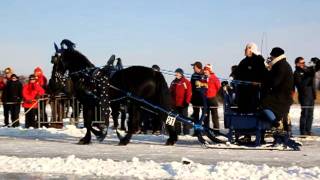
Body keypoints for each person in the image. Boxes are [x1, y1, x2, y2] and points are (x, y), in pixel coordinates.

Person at [261, 47, 294, 128]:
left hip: (281, 97)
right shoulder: (282, 64)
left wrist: (266, 71)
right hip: (283, 96)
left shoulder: (280, 66)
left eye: (271, 55)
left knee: (262, 103)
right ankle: (281, 119)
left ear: (275, 56)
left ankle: (277, 122)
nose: (270, 57)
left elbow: (274, 82)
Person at [233, 43, 268, 113]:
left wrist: (258, 81)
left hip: (254, 91)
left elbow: (264, 75)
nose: (244, 50)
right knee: (242, 107)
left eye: (246, 49)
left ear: (250, 49)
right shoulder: (243, 61)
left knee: (252, 108)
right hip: (243, 91)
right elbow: (237, 73)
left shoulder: (259, 60)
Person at [294, 57, 320, 135]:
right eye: (302, 63)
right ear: (297, 64)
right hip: (304, 96)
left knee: (310, 114)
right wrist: (309, 77)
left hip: (311, 95)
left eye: (304, 63)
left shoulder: (307, 70)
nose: (303, 64)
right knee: (304, 113)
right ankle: (303, 131)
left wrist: (317, 63)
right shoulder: (296, 73)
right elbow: (300, 85)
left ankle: (308, 130)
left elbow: (315, 70)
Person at [170, 68, 192, 135]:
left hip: (183, 103)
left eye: (177, 73)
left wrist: (187, 101)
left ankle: (186, 133)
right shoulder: (173, 82)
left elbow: (189, 93)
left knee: (184, 119)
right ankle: (177, 132)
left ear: (181, 74)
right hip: (175, 104)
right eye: (175, 73)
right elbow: (170, 91)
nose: (176, 74)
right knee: (176, 118)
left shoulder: (186, 82)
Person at [203, 64, 221, 134]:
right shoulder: (204, 79)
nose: (205, 71)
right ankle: (206, 130)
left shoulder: (215, 78)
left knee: (215, 117)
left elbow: (219, 89)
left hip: (213, 99)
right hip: (206, 99)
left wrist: (217, 97)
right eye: (204, 70)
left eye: (206, 70)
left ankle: (216, 131)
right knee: (206, 116)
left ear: (209, 70)